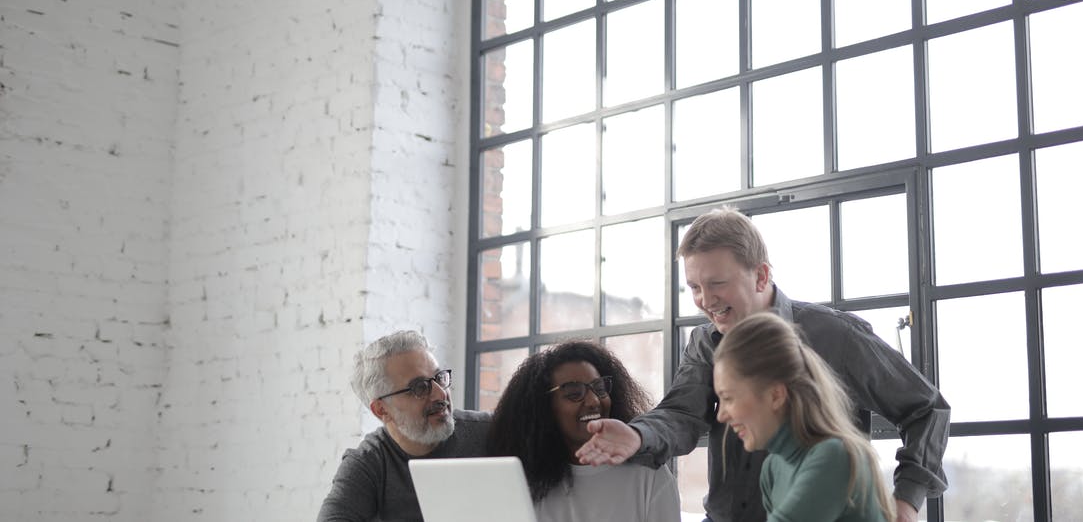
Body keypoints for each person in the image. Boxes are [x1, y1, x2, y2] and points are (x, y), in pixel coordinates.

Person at [576, 207, 950, 522]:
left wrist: (906, 501)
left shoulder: (837, 336)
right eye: (694, 287)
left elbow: (926, 409)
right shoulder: (705, 341)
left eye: (717, 283)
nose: (706, 300)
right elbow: (681, 414)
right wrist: (638, 435)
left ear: (761, 276)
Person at [715, 312, 894, 522]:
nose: (721, 416)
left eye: (728, 398)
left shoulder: (835, 457)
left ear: (775, 396)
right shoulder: (772, 469)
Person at [487, 340, 681, 522]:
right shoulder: (520, 481)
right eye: (574, 394)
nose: (594, 401)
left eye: (600, 389)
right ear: (542, 408)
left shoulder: (649, 475)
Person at [317, 330, 490, 522]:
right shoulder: (369, 463)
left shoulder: (490, 431)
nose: (441, 394)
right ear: (382, 409)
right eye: (420, 387)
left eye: (439, 378)